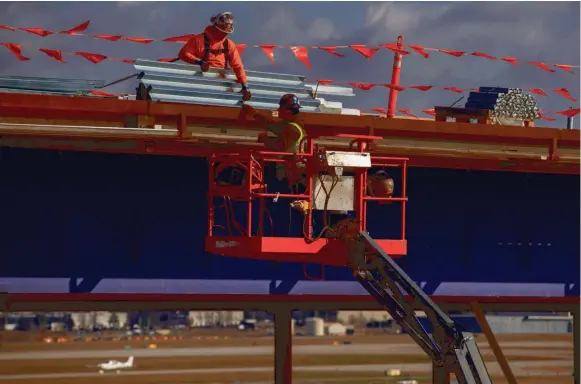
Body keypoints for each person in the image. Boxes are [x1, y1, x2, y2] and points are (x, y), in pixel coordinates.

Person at [178, 12, 251, 101]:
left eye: (226, 33)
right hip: (200, 81)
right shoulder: (198, 39)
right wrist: (199, 62)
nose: (224, 35)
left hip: (220, 82)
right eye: (222, 32)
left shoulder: (229, 44)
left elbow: (238, 66)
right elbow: (183, 53)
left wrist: (244, 85)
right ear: (215, 27)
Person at [242, 94, 307, 188]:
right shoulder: (290, 125)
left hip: (290, 177)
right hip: (287, 174)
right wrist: (254, 113)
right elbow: (271, 124)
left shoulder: (292, 128)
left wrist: (265, 140)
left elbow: (280, 147)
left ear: (288, 110)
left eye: (281, 107)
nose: (278, 109)